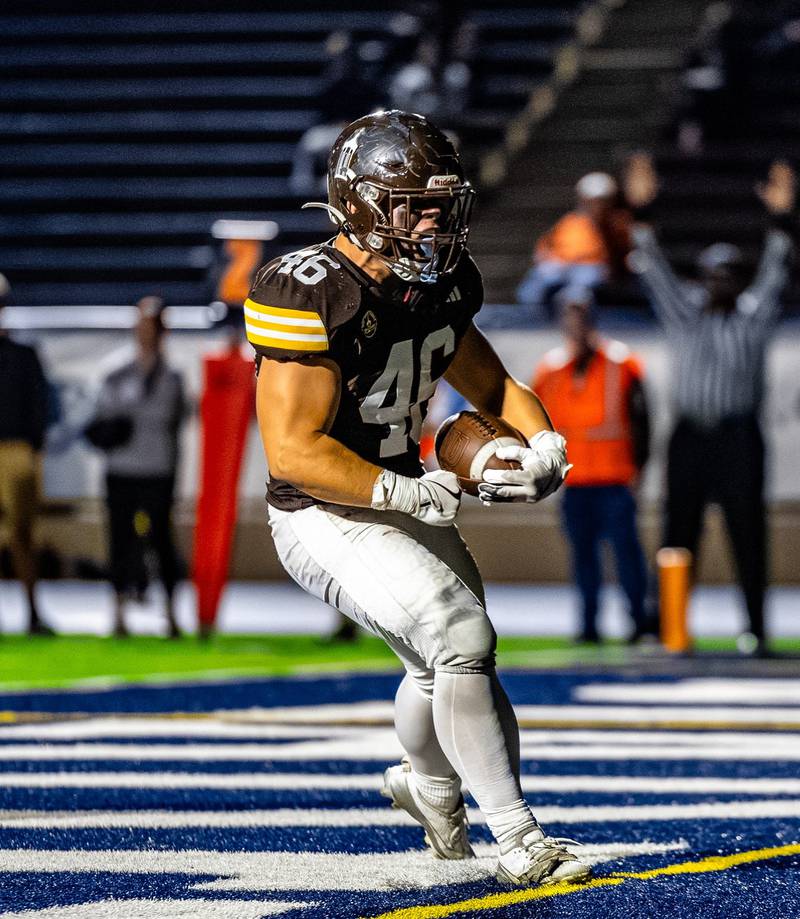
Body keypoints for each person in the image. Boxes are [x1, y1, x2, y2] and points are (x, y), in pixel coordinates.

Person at [246, 110, 590, 888]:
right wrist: (405, 490)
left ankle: (427, 783)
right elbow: (292, 452)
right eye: (414, 202)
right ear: (363, 204)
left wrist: (543, 446)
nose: (434, 218)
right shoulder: (308, 289)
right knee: (458, 630)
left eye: (442, 202)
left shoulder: (436, 282)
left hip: (399, 491)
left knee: (445, 663)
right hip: (320, 509)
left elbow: (494, 385)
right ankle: (521, 841)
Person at [625, 154, 795, 656]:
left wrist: (781, 217)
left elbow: (777, 268)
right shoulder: (686, 314)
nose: (718, 283)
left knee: (747, 532)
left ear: (738, 280)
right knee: (678, 532)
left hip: (739, 434)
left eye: (728, 275)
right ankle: (671, 628)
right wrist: (642, 208)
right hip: (691, 434)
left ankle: (757, 631)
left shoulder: (753, 316)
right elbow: (651, 265)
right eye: (711, 274)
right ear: (701, 277)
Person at [532, 286, 652, 644]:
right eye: (570, 313)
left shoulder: (622, 363)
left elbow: (643, 419)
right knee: (583, 559)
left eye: (582, 312)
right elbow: (540, 425)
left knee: (627, 556)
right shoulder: (550, 370)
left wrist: (639, 468)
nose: (577, 321)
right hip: (576, 480)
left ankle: (638, 621)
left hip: (615, 478)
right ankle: (588, 626)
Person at [89, 297, 186, 638]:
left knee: (161, 542)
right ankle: (117, 611)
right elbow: (101, 417)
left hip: (158, 468)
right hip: (123, 467)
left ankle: (172, 613)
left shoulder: (173, 375)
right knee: (120, 541)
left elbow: (173, 424)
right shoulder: (116, 370)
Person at [0, 273, 52, 635]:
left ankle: (32, 611)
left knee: (21, 535)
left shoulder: (22, 355)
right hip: (18, 447)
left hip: (16, 447)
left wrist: (32, 446)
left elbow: (39, 407)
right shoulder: (22, 355)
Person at [515, 172, 632, 318]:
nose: (596, 205)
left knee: (579, 286)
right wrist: (546, 258)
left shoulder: (617, 223)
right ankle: (531, 317)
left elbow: (621, 255)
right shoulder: (570, 221)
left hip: (592, 267)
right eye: (591, 200)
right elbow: (545, 245)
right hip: (563, 265)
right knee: (539, 279)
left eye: (601, 200)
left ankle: (576, 320)